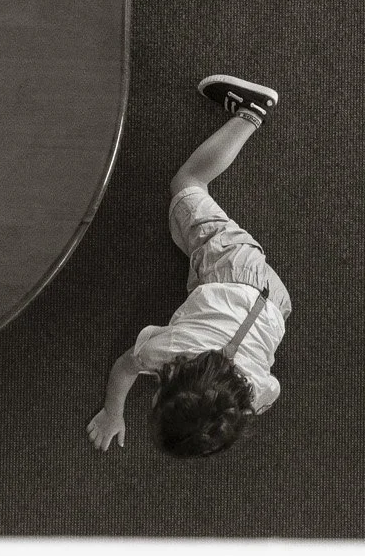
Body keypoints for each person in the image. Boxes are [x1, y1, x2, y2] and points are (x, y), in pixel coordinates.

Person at [86, 75, 291, 458]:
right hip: (236, 267)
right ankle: (252, 111)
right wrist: (114, 412)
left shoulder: (258, 397)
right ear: (166, 382)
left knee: (187, 245)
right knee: (187, 185)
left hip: (276, 304)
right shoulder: (166, 350)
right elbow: (124, 369)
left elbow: (272, 387)